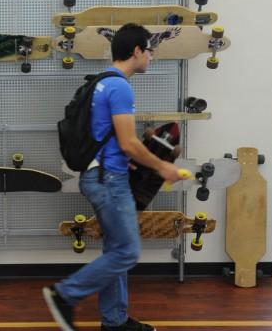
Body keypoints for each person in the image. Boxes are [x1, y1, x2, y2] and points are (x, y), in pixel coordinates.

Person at [43, 23, 186, 331]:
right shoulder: (120, 86)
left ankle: (115, 321)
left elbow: (110, 137)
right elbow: (127, 143)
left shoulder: (102, 83)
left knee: (116, 250)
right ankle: (64, 294)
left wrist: (141, 146)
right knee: (127, 252)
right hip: (109, 182)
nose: (152, 57)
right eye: (149, 51)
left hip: (101, 176)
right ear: (136, 51)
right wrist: (164, 168)